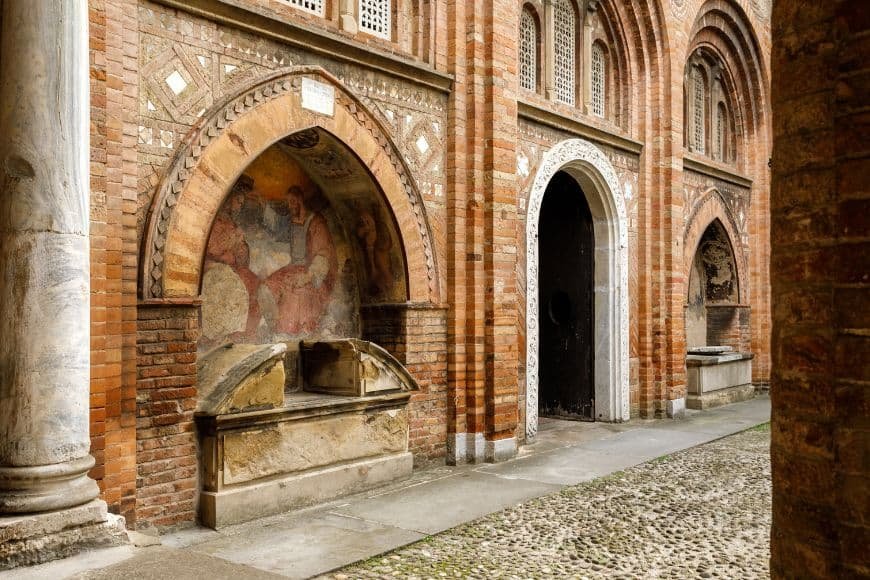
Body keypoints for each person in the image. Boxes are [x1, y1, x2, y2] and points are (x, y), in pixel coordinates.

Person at [263, 186, 337, 335]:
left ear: (300, 200)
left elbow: (323, 252)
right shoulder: (292, 220)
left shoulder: (316, 222)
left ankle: (289, 333)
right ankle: (274, 330)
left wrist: (308, 276)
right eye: (288, 203)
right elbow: (277, 226)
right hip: (291, 268)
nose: (290, 206)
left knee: (294, 296)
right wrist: (262, 204)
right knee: (265, 289)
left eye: (292, 202)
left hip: (310, 272)